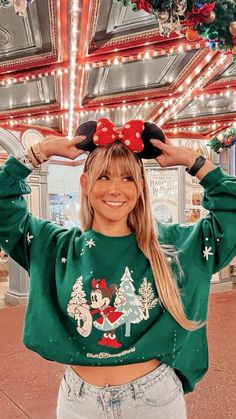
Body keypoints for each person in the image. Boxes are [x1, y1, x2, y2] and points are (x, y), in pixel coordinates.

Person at [0, 119, 236, 419]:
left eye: (128, 178)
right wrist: (39, 151)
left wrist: (195, 162)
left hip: (154, 400)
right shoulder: (55, 246)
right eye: (104, 177)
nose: (115, 189)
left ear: (141, 186)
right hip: (78, 402)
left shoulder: (175, 247)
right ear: (85, 184)